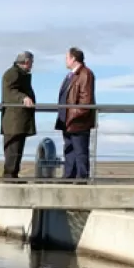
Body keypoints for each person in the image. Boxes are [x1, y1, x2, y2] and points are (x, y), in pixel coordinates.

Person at [55, 47, 95, 179]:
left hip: (78, 121)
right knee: (69, 150)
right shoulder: (71, 75)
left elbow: (86, 101)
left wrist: (73, 115)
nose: (65, 60)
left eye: (67, 58)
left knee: (80, 151)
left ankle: (81, 179)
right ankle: (68, 177)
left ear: (73, 58)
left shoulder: (85, 74)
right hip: (67, 120)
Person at [0, 51, 36, 179]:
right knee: (13, 150)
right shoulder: (12, 73)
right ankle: (10, 176)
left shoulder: (19, 73)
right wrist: (23, 98)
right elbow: (10, 90)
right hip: (14, 120)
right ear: (26, 61)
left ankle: (13, 175)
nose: (32, 65)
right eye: (31, 62)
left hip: (19, 120)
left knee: (17, 150)